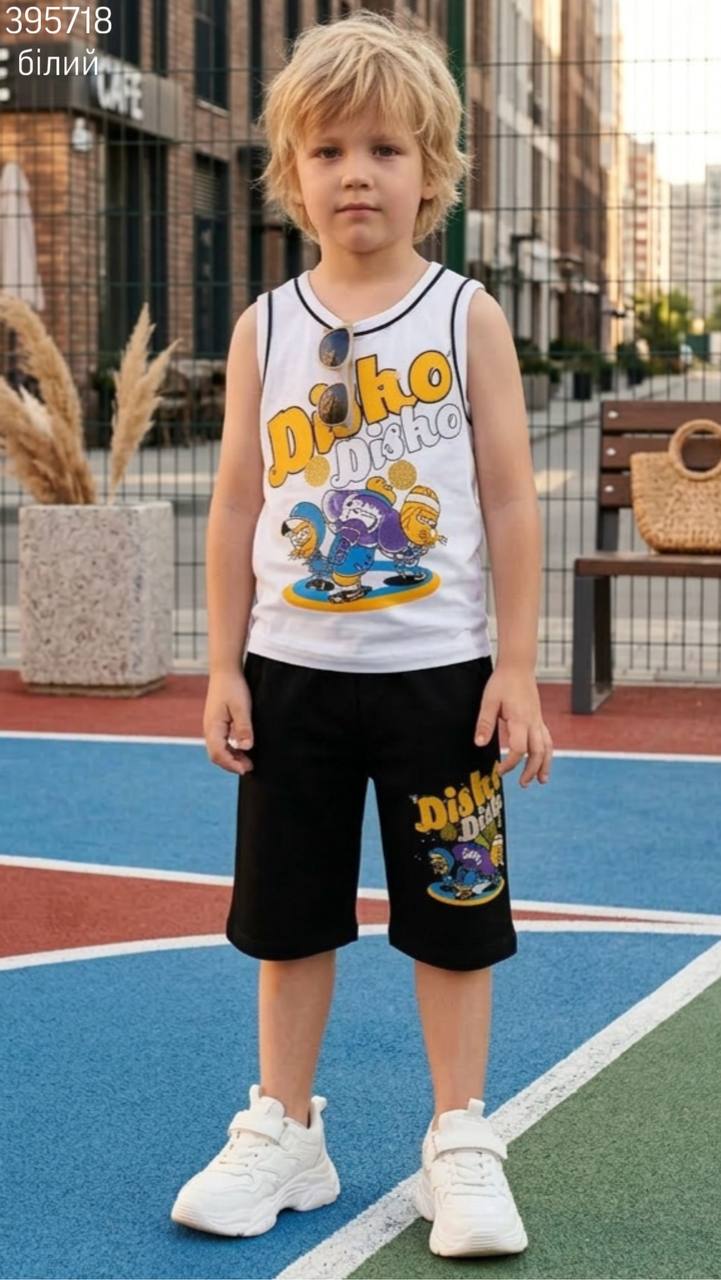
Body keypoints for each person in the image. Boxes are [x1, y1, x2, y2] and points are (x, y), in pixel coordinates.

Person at [170, 7, 553, 1259]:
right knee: (287, 919)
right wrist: (222, 664)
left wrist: (516, 666)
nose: (357, 174)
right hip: (291, 678)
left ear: (431, 168)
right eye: (329, 149)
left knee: (455, 916)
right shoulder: (266, 326)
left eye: (385, 148)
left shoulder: (465, 315)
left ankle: (459, 1135)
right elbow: (238, 503)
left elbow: (509, 499)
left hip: (442, 681)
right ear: (292, 170)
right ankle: (285, 1128)